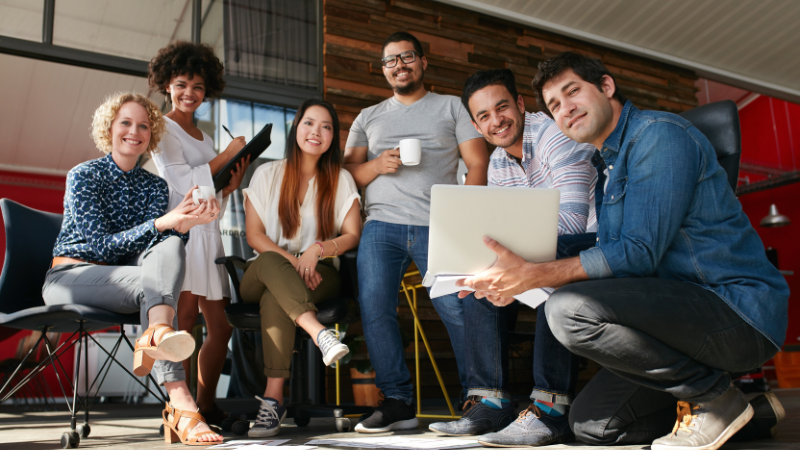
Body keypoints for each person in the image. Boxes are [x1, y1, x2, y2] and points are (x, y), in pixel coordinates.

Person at [460, 52, 790, 450]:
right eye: (555, 105)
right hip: (672, 321)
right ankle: (744, 413)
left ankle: (713, 397)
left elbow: (638, 254)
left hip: (734, 311)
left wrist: (533, 275)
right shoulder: (607, 166)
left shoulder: (659, 135)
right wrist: (512, 281)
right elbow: (615, 259)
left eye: (572, 92)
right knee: (593, 427)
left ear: (606, 86)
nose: (565, 110)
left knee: (567, 308)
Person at [42, 92, 224, 445]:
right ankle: (181, 403)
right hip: (72, 277)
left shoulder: (155, 187)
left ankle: (155, 332)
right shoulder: (83, 176)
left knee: (169, 245)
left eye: (143, 125)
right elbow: (101, 247)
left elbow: (156, 255)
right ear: (109, 128)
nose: (134, 131)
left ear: (151, 134)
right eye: (125, 122)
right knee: (155, 270)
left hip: (132, 282)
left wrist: (180, 229)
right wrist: (161, 223)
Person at [429, 68, 599, 442]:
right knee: (479, 274)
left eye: (502, 107)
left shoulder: (556, 134)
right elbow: (501, 234)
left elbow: (572, 223)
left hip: (590, 248)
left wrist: (516, 268)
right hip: (541, 251)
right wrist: (497, 270)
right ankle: (490, 404)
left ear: (520, 105)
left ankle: (551, 409)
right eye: (484, 116)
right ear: (476, 124)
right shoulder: (498, 162)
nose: (496, 121)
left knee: (545, 257)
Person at [343, 31, 490, 433]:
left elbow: (477, 163)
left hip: (438, 223)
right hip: (381, 225)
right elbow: (345, 176)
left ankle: (479, 399)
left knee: (457, 310)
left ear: (423, 62)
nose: (399, 65)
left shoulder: (451, 107)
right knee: (374, 310)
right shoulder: (368, 116)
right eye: (390, 60)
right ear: (384, 70)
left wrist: (464, 217)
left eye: (407, 57)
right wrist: (376, 167)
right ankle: (398, 403)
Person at [240, 99, 361, 437]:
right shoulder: (267, 173)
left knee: (276, 299)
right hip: (262, 270)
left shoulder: (340, 179)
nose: (316, 132)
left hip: (319, 275)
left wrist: (318, 250)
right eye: (309, 123)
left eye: (326, 127)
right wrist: (294, 261)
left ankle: (273, 400)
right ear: (297, 128)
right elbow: (254, 236)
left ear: (333, 137)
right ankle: (320, 334)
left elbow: (352, 234)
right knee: (270, 263)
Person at [148, 41, 251, 426]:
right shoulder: (162, 128)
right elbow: (179, 182)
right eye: (180, 84)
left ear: (208, 90)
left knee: (221, 327)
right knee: (186, 322)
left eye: (197, 87)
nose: (189, 93)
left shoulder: (204, 137)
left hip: (210, 235)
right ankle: (182, 411)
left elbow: (209, 194)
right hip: (185, 234)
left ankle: (206, 406)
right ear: (166, 85)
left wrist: (228, 185)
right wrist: (225, 156)